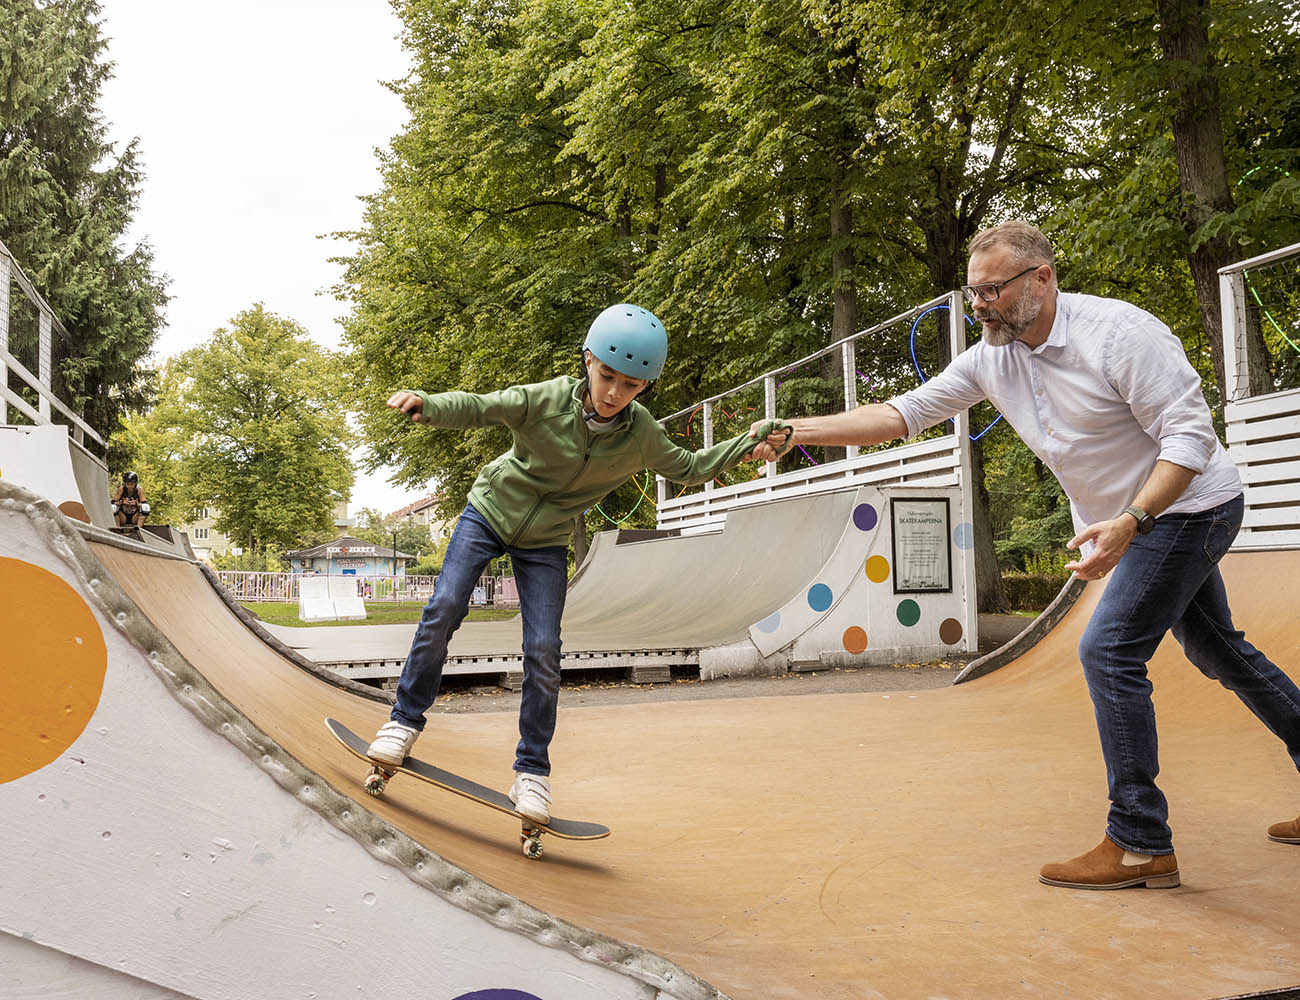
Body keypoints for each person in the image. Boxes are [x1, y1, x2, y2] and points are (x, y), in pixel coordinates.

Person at [750, 220, 1300, 889]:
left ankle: (1139, 841)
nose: (981, 306)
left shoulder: (1120, 335)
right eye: (973, 293)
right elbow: (904, 413)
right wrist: (793, 430)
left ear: (1042, 277)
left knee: (1108, 649)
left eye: (993, 291)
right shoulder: (991, 356)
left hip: (1189, 507)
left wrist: (1129, 521)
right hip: (1131, 522)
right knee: (1218, 651)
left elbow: (1189, 439)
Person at [368, 303, 789, 825]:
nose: (614, 393)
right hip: (489, 512)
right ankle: (404, 721)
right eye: (607, 376)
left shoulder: (641, 434)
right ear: (588, 361)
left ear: (645, 388)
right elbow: (481, 406)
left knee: (544, 649)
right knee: (446, 605)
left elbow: (689, 468)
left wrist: (749, 441)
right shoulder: (543, 400)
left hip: (545, 541)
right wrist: (429, 405)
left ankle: (532, 773)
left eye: (631, 385)